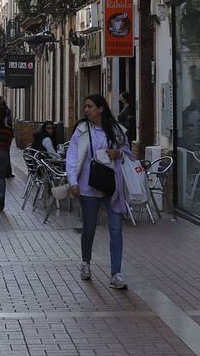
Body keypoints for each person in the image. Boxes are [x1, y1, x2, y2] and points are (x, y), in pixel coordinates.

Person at [65, 94, 135, 290]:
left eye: (90, 106)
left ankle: (116, 274)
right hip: (88, 186)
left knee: (116, 229)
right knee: (89, 228)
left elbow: (128, 153)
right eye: (85, 106)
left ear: (101, 108)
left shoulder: (116, 130)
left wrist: (118, 153)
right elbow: (72, 157)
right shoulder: (81, 130)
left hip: (112, 187)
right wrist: (72, 181)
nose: (86, 110)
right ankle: (86, 263)